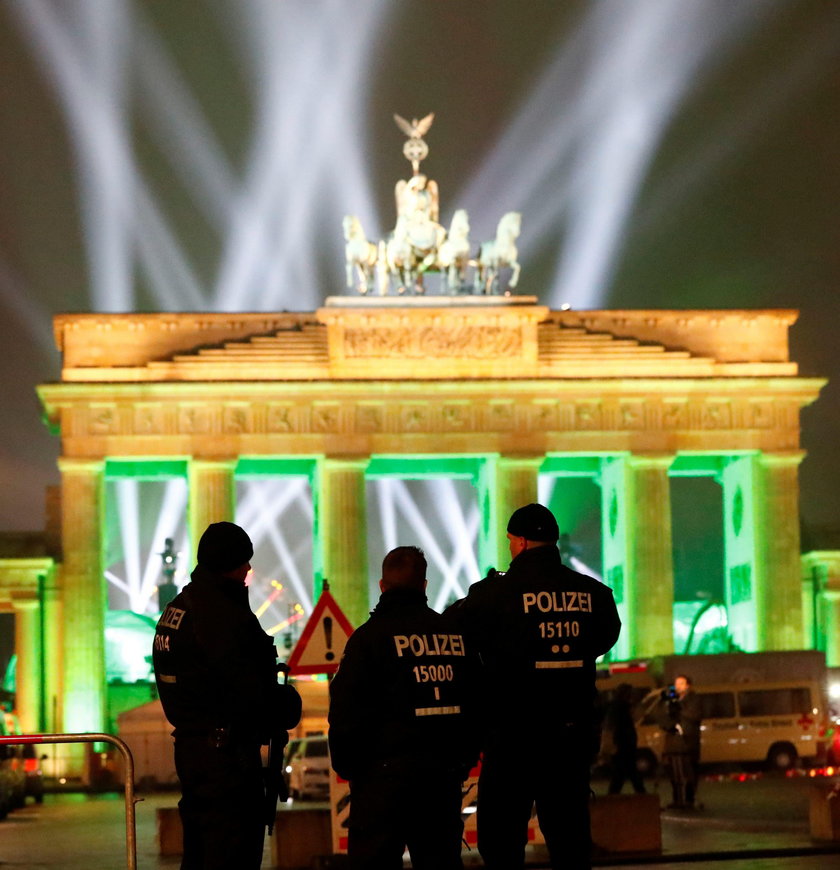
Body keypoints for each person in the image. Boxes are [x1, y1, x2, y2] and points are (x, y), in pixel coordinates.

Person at [447, 503, 621, 870]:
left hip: (512, 737)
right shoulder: (595, 595)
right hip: (571, 737)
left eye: (511, 541)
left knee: (502, 842)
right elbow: (604, 639)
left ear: (522, 542)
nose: (510, 547)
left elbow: (455, 630)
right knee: (570, 840)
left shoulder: (495, 595)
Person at [152, 521, 299, 870]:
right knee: (232, 855)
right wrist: (286, 704)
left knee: (200, 854)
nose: (248, 568)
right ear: (228, 562)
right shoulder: (221, 616)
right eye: (243, 561)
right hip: (227, 760)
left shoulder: (179, 608)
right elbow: (245, 691)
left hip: (193, 751)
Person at [328, 546, 478, 870]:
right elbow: (477, 703)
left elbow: (345, 713)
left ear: (382, 586)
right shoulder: (455, 637)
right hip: (441, 782)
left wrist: (352, 769)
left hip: (381, 785)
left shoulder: (367, 640)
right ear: (425, 586)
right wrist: (461, 761)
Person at [658, 674, 702, 810]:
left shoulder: (693, 699)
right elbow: (663, 718)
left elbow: (695, 716)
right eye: (676, 684)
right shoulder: (671, 700)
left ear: (688, 685)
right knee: (675, 774)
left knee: (689, 772)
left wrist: (679, 708)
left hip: (688, 743)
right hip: (673, 744)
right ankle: (677, 799)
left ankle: (689, 799)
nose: (678, 687)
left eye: (681, 683)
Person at [604, 683, 646, 795]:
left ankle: (613, 797)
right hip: (623, 745)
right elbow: (615, 727)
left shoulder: (618, 707)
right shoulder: (620, 707)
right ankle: (641, 796)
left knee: (622, 774)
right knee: (627, 773)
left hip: (622, 745)